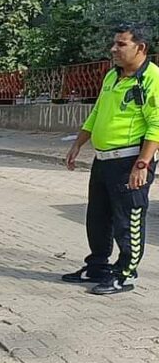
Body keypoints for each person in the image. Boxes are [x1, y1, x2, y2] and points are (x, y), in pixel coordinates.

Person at [63, 23, 159, 295]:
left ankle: (125, 273)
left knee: (127, 220)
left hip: (130, 162)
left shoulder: (152, 78)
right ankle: (97, 266)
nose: (113, 49)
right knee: (98, 217)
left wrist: (142, 164)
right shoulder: (111, 76)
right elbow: (97, 113)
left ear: (140, 48)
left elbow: (156, 125)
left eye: (121, 44)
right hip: (103, 161)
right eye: (114, 43)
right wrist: (78, 144)